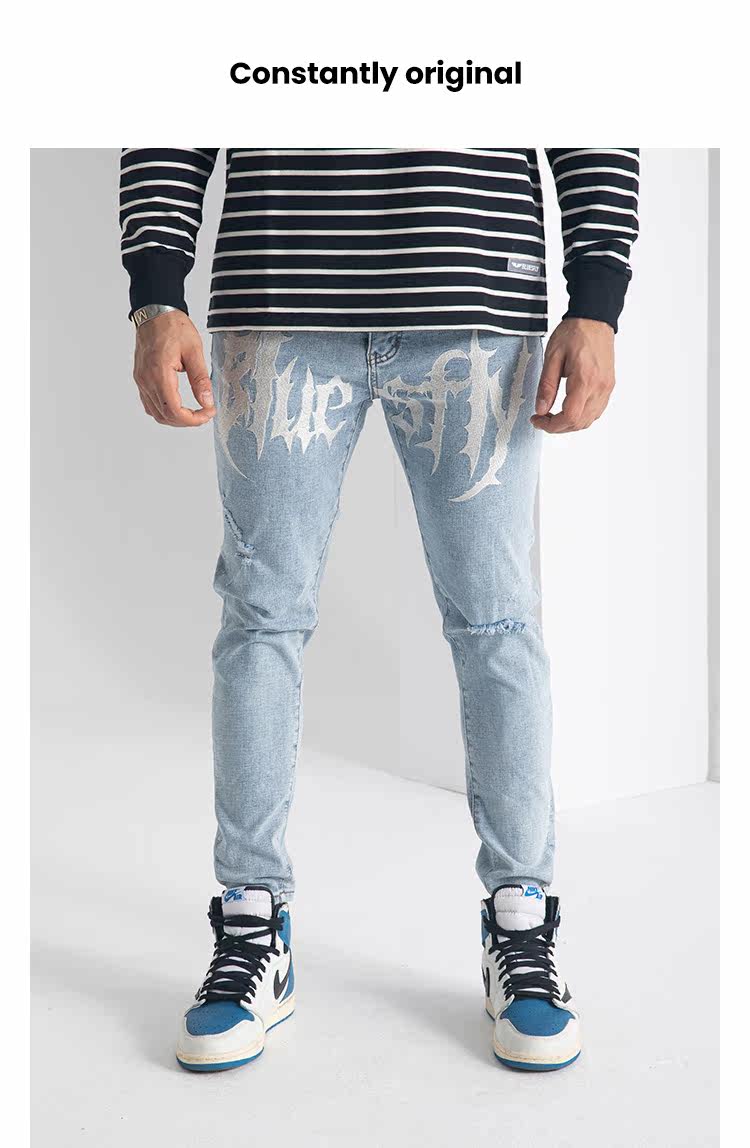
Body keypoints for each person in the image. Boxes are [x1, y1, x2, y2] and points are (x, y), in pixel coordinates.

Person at [120, 148, 639, 1073]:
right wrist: (156, 293)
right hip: (279, 298)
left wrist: (596, 298)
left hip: (475, 295)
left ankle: (521, 926)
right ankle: (251, 924)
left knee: (497, 624)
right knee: (261, 621)